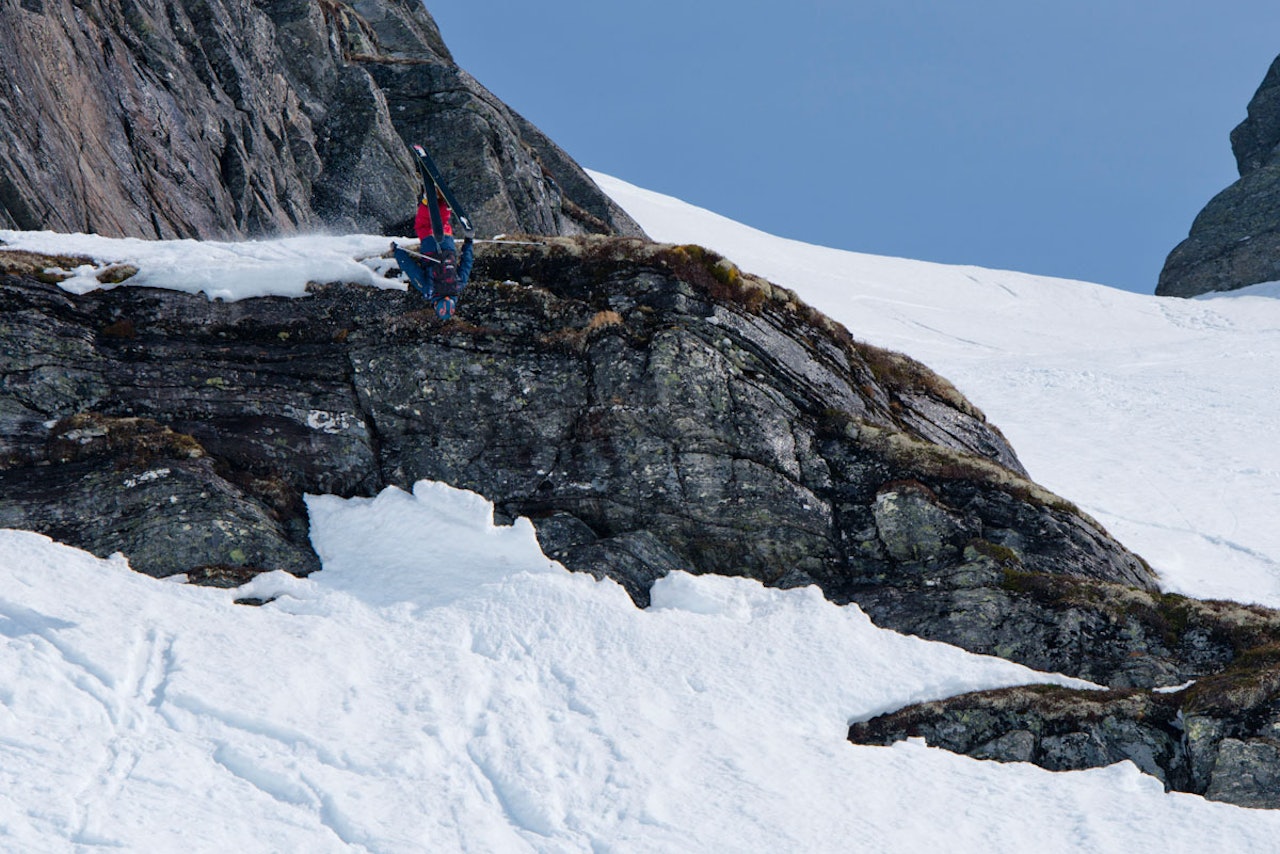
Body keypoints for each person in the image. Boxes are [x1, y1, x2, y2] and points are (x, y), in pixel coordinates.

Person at [393, 188, 474, 320]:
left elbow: (467, 263)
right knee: (423, 225)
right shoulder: (429, 290)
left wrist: (468, 242)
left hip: (448, 247)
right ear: (436, 305)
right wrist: (398, 252)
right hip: (429, 248)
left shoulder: (458, 286)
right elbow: (411, 270)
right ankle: (427, 200)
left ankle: (443, 204)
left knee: (442, 224)